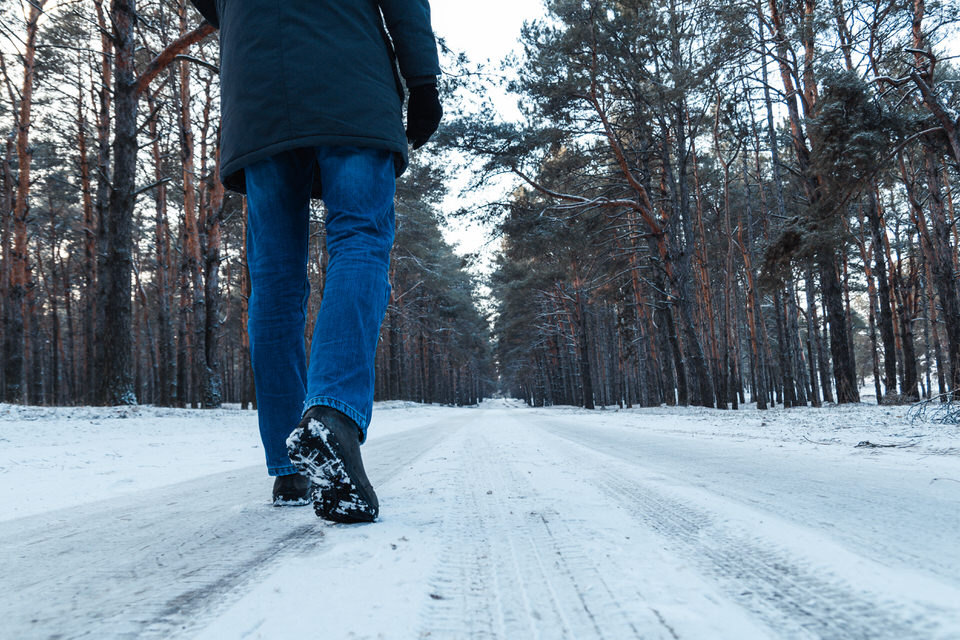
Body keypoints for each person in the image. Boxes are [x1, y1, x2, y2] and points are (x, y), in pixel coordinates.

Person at [189, 0, 442, 523]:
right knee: (359, 240)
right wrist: (423, 79)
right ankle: (333, 415)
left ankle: (290, 466)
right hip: (348, 81)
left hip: (256, 96)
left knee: (276, 280)